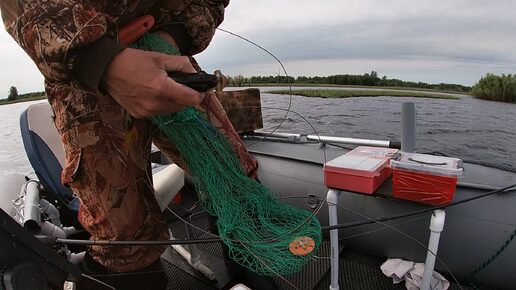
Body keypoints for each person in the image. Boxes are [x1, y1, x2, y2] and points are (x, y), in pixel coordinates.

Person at [0, 1, 259, 288]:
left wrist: (173, 36)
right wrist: (99, 60)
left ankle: (253, 276)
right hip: (84, 84)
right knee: (125, 240)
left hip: (171, 60)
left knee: (238, 181)